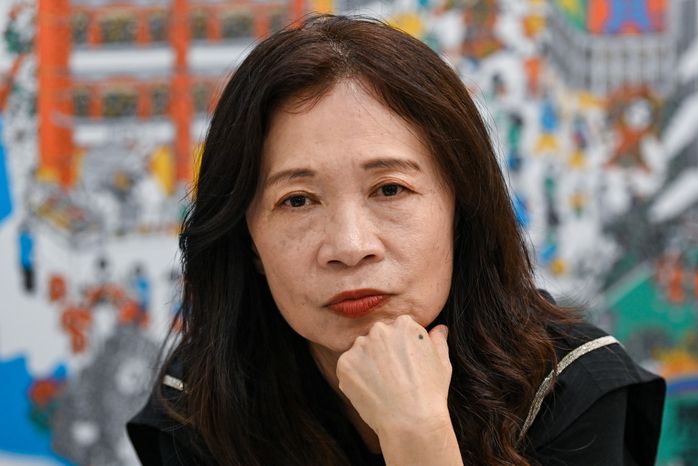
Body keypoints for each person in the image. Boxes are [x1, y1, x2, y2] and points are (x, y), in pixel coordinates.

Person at [127, 15, 665, 465]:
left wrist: (418, 436)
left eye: (390, 189)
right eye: (298, 200)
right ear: (248, 240)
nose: (350, 245)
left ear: (461, 210)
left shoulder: (569, 388)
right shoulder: (199, 403)